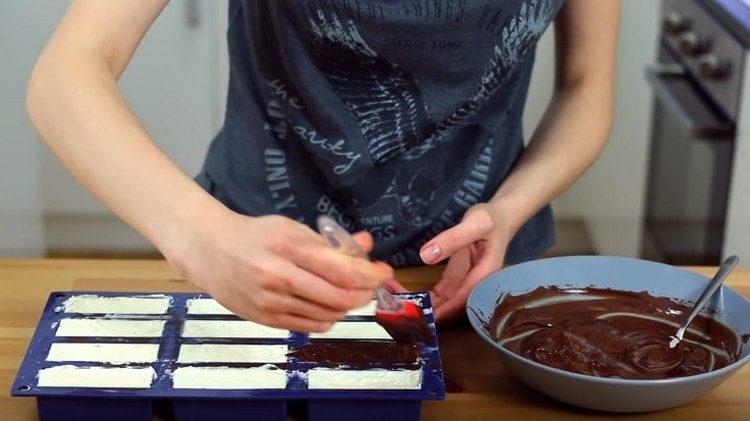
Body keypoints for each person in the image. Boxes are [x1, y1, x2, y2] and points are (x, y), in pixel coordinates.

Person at [27, 0, 620, 331]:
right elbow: (67, 74)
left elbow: (586, 85)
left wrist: (510, 209)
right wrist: (203, 238)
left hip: (476, 282)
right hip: (257, 271)